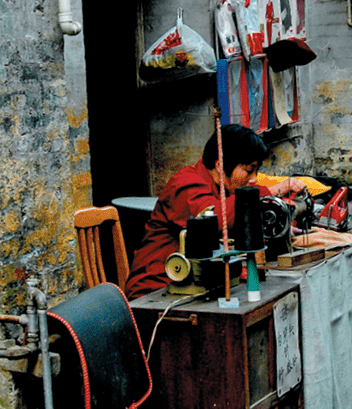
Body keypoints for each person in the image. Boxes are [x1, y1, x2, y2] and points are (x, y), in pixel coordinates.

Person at [125, 124, 305, 299]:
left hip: (198, 286)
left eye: (256, 171)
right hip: (155, 292)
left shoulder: (225, 190)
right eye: (249, 170)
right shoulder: (184, 184)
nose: (253, 179)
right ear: (220, 164)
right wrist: (269, 192)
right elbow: (214, 221)